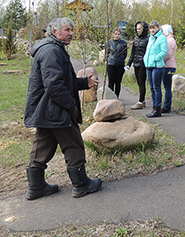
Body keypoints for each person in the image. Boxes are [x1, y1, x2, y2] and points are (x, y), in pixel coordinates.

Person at [24, 17, 102, 200]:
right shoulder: (52, 51)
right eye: (67, 30)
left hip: (46, 109)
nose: (71, 33)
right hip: (56, 109)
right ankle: (81, 185)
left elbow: (59, 80)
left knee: (43, 145)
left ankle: (36, 187)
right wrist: (71, 105)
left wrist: (83, 83)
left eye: (72, 30)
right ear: (55, 32)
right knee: (73, 144)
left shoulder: (52, 48)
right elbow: (54, 86)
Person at [143, 20, 168, 118]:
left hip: (157, 66)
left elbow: (164, 52)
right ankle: (154, 107)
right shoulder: (150, 38)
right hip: (149, 65)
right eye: (151, 28)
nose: (152, 30)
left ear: (158, 28)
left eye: (154, 28)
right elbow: (148, 51)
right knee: (152, 87)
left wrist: (155, 58)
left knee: (157, 87)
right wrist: (145, 59)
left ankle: (157, 109)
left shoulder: (162, 38)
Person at [127, 22, 149, 110]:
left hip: (143, 64)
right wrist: (128, 64)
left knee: (142, 83)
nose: (138, 30)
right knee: (139, 83)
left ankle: (140, 102)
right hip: (136, 63)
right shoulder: (136, 39)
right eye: (137, 28)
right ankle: (142, 100)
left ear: (144, 29)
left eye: (139, 28)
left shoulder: (148, 40)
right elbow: (132, 53)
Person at [105, 28, 127, 98]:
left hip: (120, 65)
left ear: (120, 35)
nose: (117, 36)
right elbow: (106, 53)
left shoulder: (123, 43)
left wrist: (121, 59)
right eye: (115, 34)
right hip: (111, 64)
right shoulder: (108, 43)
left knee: (118, 82)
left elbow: (125, 54)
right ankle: (110, 97)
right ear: (112, 34)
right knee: (111, 82)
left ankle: (116, 97)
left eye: (118, 34)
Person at [160, 24, 177, 114]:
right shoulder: (167, 39)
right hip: (167, 66)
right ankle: (166, 105)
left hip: (168, 66)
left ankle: (167, 106)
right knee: (166, 87)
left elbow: (168, 54)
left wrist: (160, 59)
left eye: (162, 31)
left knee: (167, 87)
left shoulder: (170, 40)